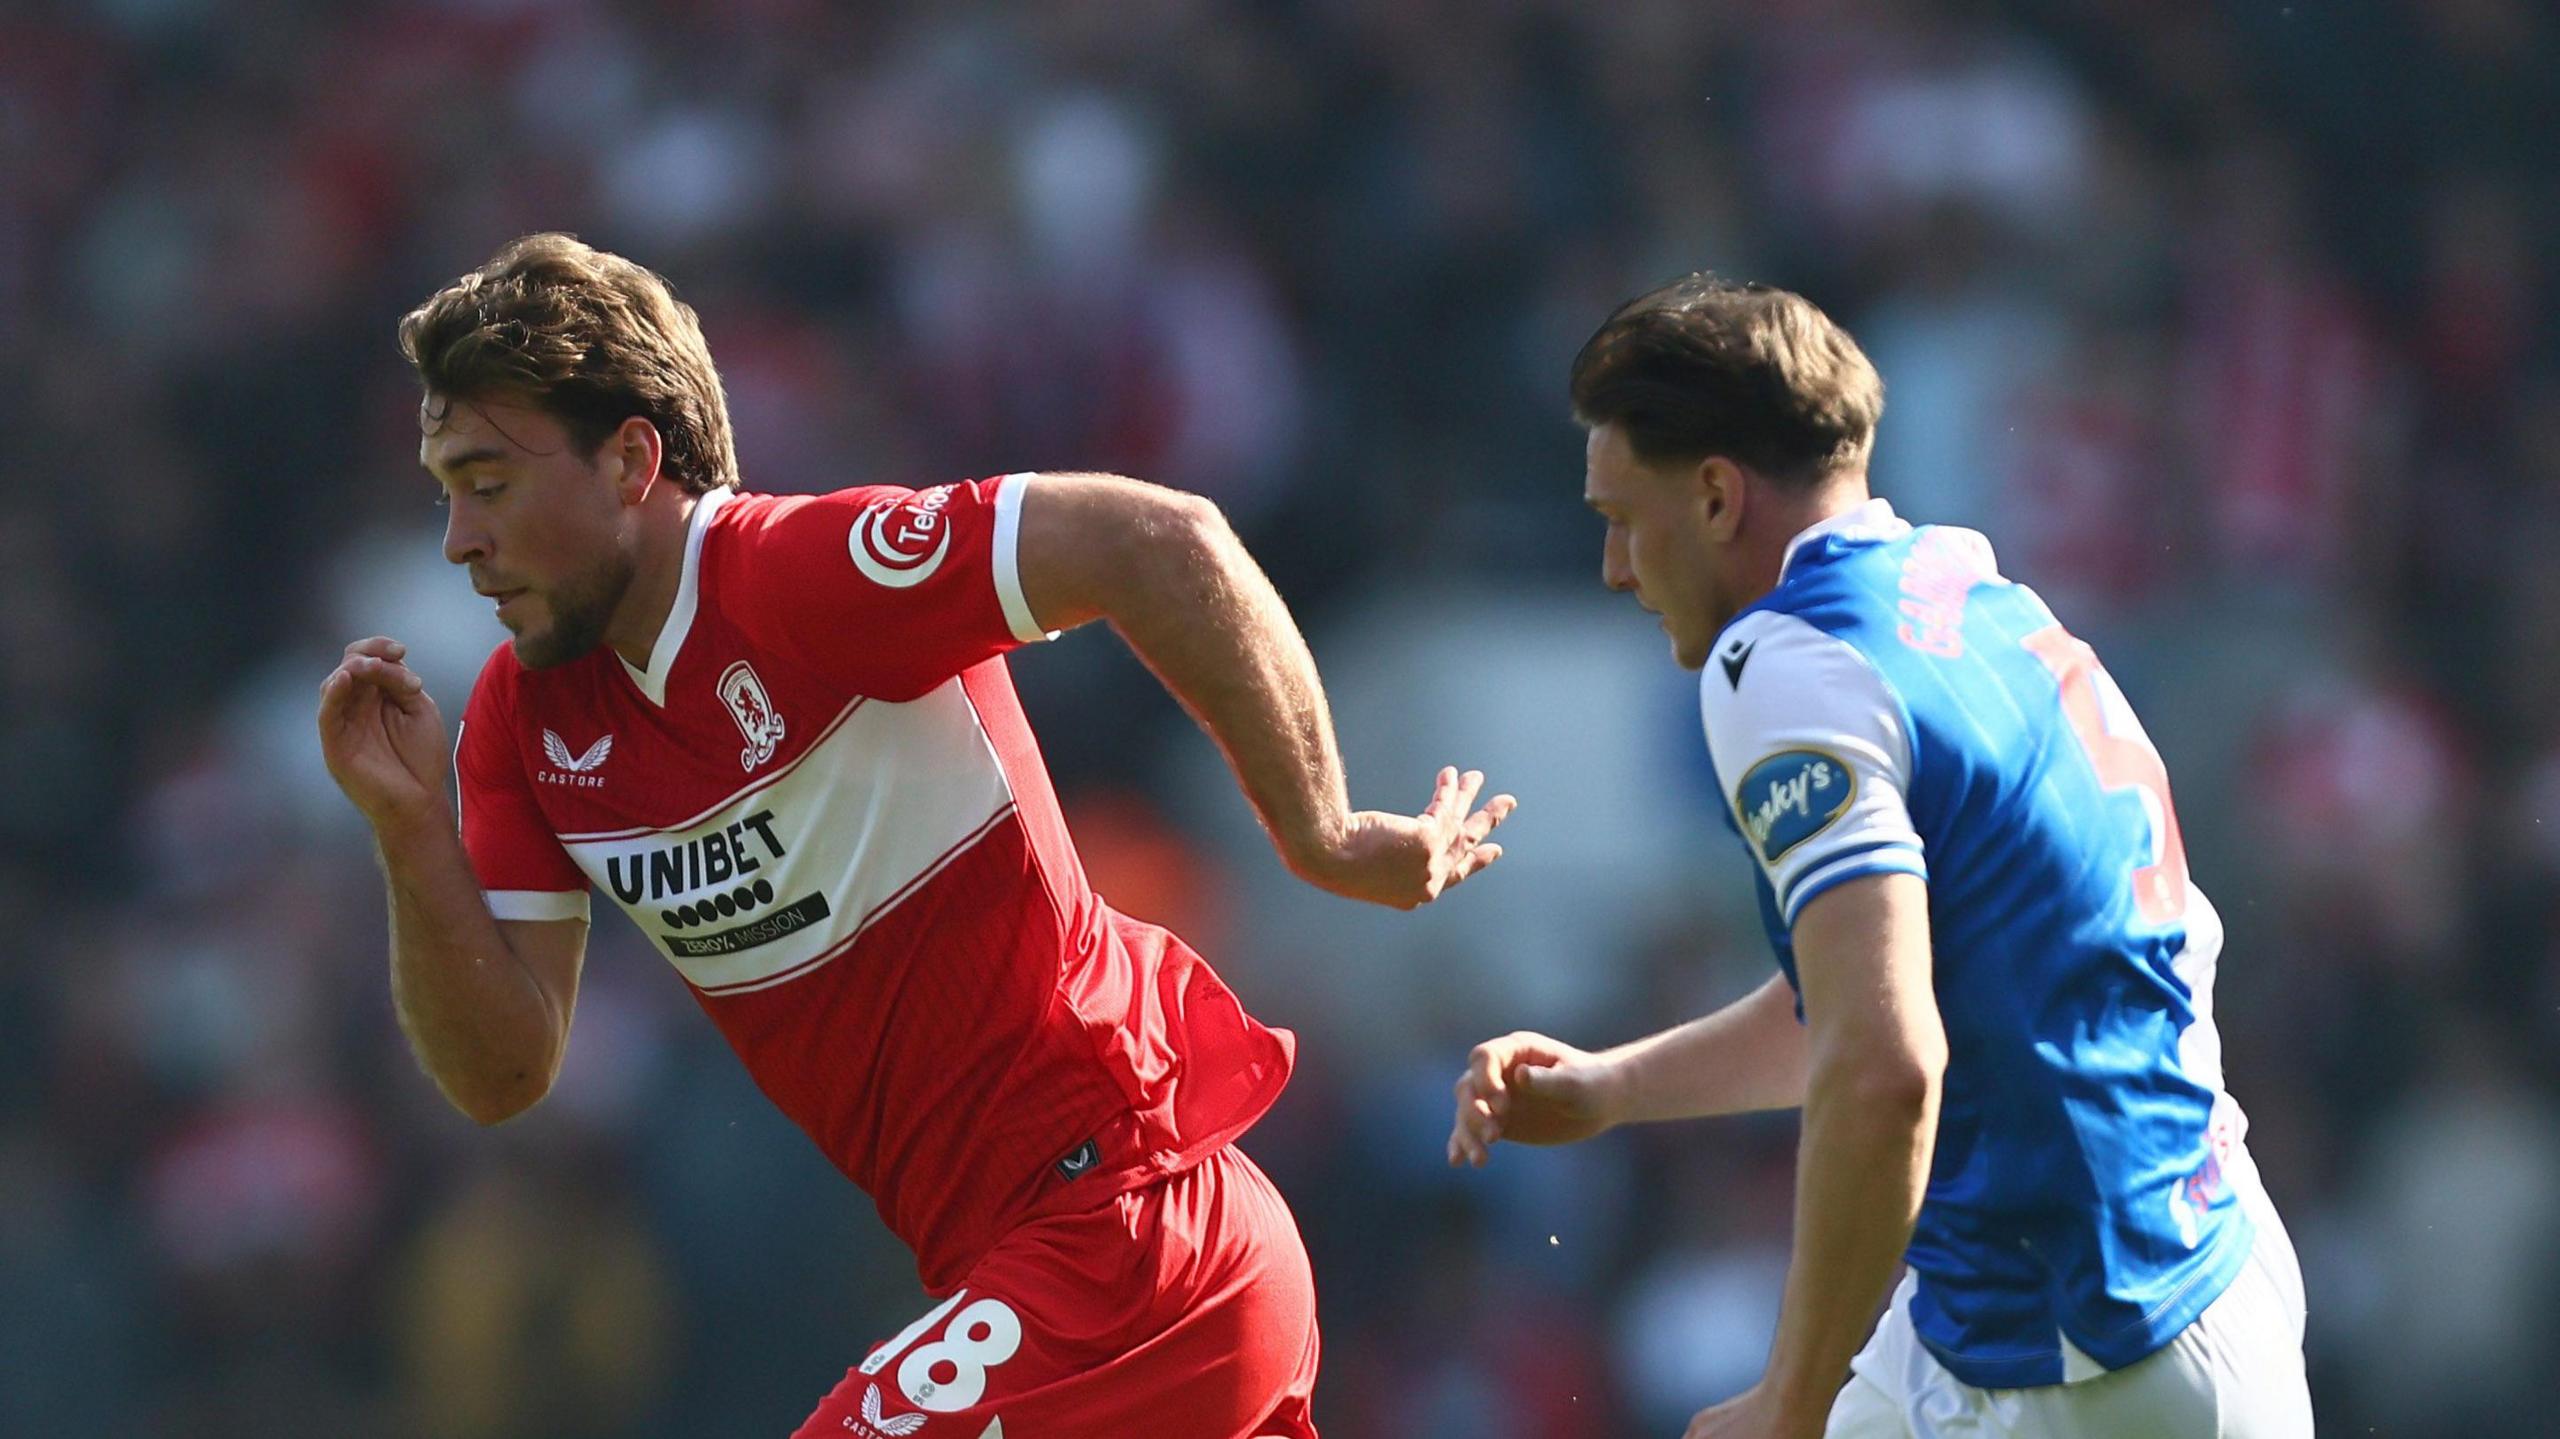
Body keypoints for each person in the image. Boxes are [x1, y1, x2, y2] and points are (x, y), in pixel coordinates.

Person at [316, 233, 1515, 1439]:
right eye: (445, 490)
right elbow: (503, 1070)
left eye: (490, 481)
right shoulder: (523, 726)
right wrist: (411, 833)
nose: (459, 539)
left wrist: (1320, 831)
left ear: (631, 458)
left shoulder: (795, 575)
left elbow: (1158, 540)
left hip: (1134, 1239)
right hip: (1050, 1279)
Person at [1447, 276, 2310, 1438]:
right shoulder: (1967, 588)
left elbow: (1887, 1063)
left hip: (2078, 1358)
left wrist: (1789, 1403)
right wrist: (1613, 1089)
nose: (1612, 566)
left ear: (1712, 497)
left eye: (1620, 514)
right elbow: (1878, 1000)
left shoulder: (1783, 662)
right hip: (2174, 1271)